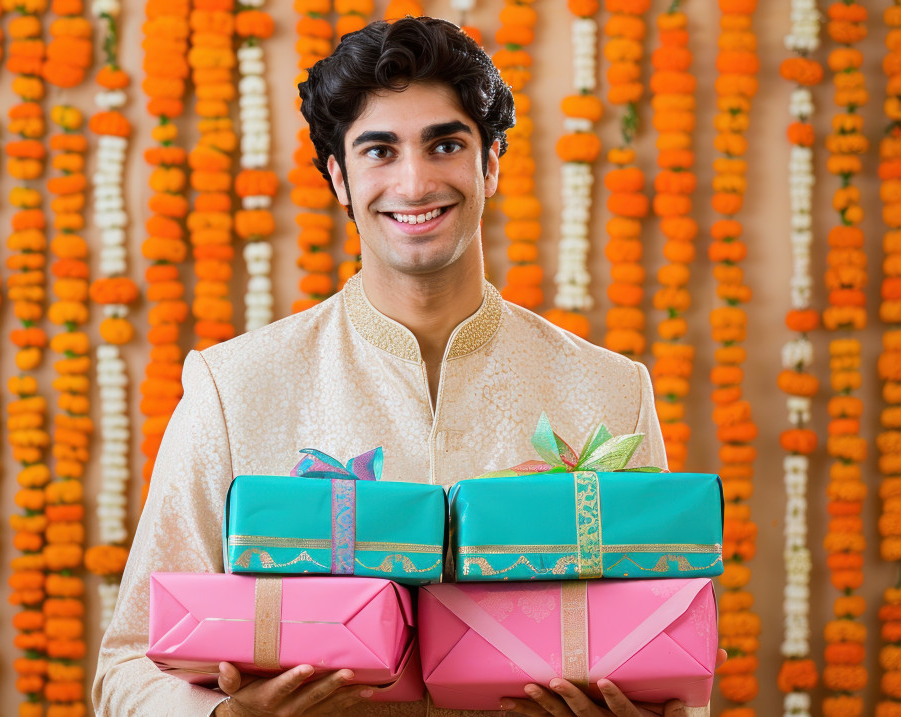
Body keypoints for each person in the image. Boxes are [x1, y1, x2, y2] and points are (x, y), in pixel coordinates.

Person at [94, 16, 711, 717]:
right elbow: (127, 663)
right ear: (340, 179)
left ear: (490, 164)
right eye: (379, 151)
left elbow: (673, 656)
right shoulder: (234, 387)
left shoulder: (609, 390)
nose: (414, 182)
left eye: (444, 144)